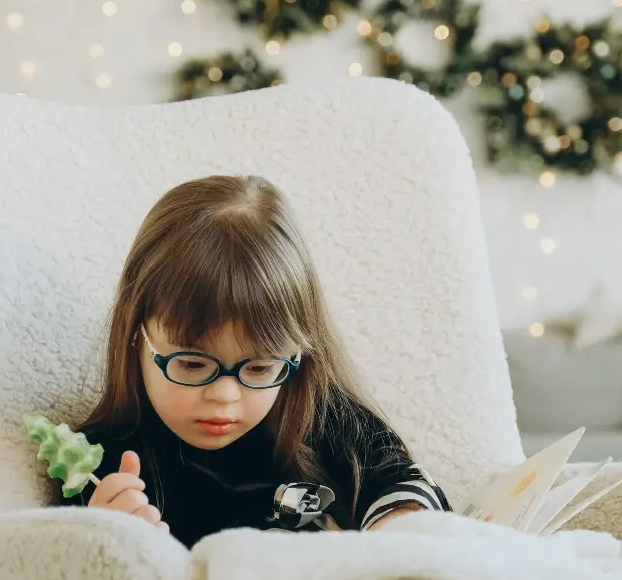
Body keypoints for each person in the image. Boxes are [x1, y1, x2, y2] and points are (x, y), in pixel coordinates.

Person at [61, 175, 451, 548]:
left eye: (260, 368)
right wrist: (104, 543)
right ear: (135, 333)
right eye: (192, 365)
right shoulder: (98, 465)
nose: (225, 396)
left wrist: (399, 524)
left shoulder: (322, 416)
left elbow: (403, 485)